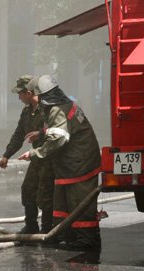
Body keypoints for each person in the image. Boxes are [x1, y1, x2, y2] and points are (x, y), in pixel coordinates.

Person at [18, 75, 102, 249]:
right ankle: (65, 235)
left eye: (39, 97)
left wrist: (34, 154)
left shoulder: (57, 109)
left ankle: (87, 240)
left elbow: (58, 139)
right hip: (70, 163)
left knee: (79, 202)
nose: (38, 101)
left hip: (79, 163)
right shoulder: (61, 106)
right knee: (62, 202)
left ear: (44, 96)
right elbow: (62, 128)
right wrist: (41, 133)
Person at [0, 75, 55, 234]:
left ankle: (47, 230)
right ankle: (31, 226)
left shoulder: (50, 109)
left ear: (29, 92)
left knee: (46, 194)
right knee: (28, 190)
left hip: (51, 158)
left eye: (20, 94)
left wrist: (42, 134)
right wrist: (6, 155)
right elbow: (19, 135)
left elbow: (59, 131)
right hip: (37, 158)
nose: (19, 97)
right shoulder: (27, 112)